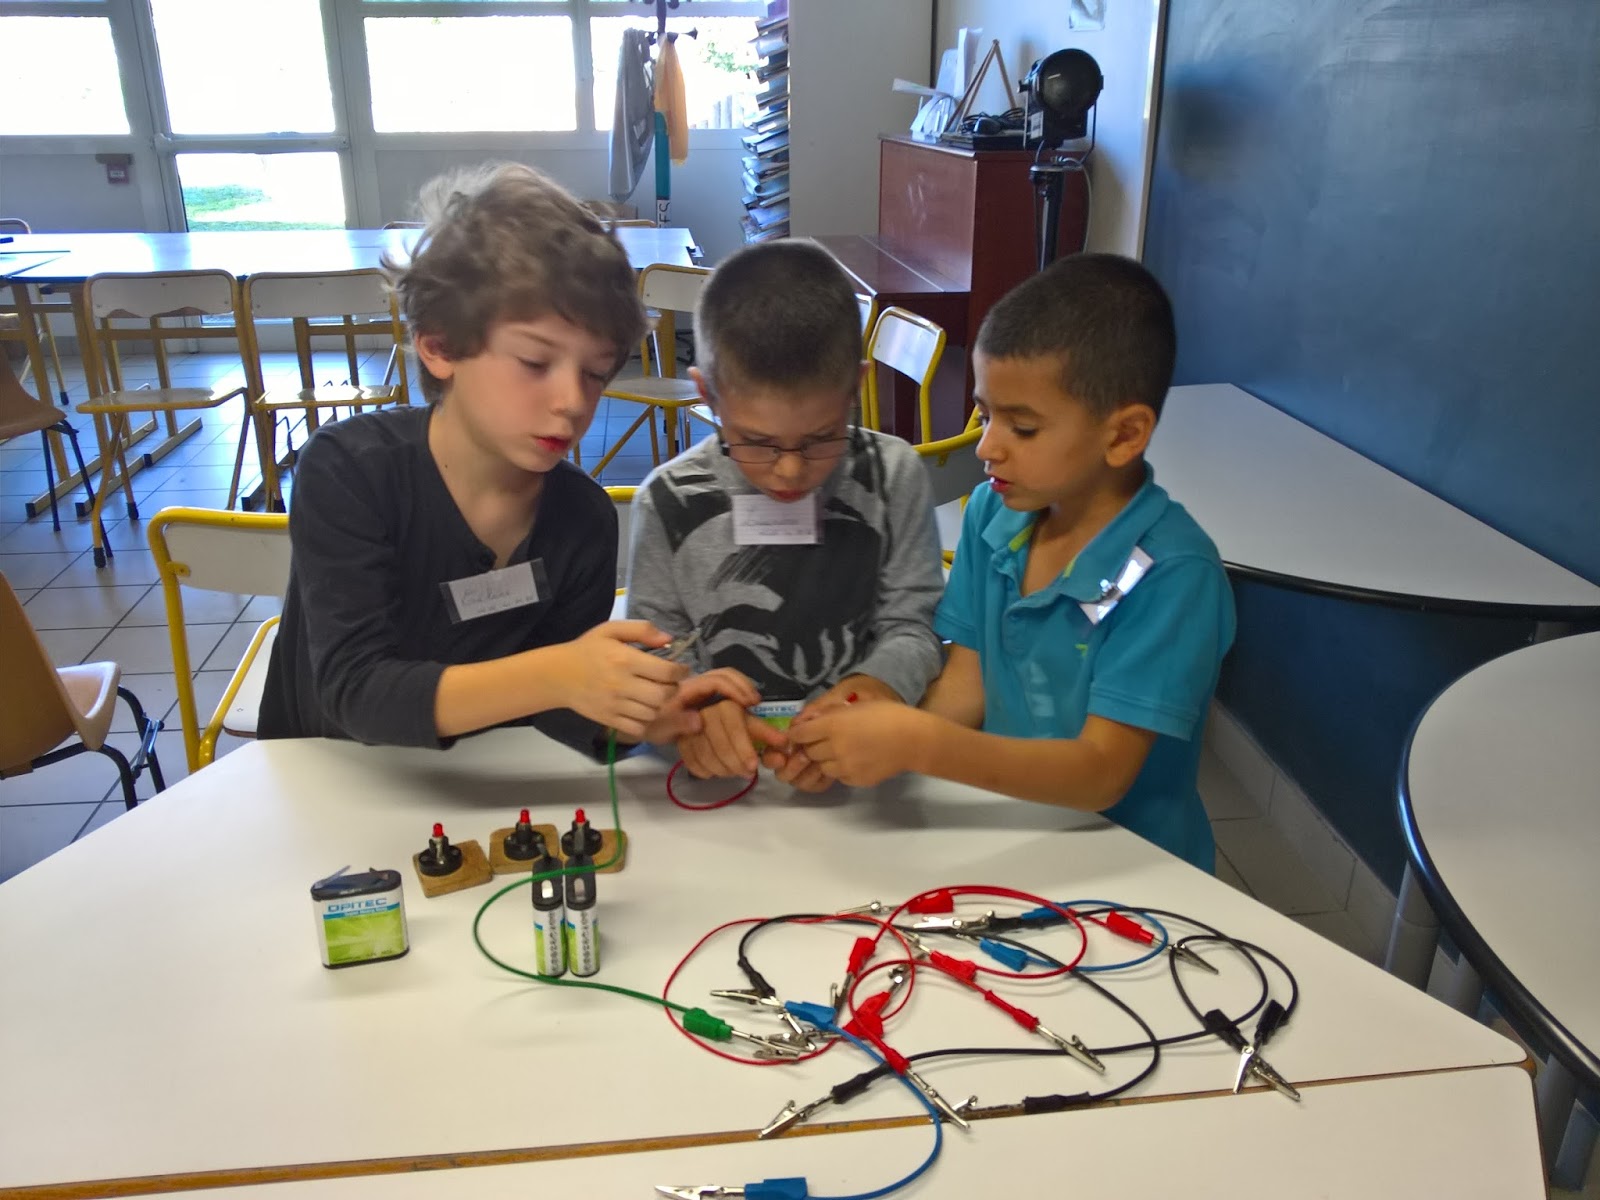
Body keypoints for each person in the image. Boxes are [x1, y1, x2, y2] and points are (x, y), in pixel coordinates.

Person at [259, 163, 749, 751]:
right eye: (535, 363)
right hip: (326, 775)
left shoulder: (583, 520)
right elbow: (356, 691)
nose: (573, 402)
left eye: (596, 373)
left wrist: (640, 716)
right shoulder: (349, 471)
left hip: (485, 789)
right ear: (439, 345)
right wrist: (559, 674)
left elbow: (557, 712)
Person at [790, 254, 1235, 870]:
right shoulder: (993, 515)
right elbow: (967, 684)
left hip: (1129, 867)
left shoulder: (1174, 574)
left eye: (1022, 428)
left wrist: (920, 744)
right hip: (1010, 835)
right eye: (985, 414)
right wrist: (865, 740)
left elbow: (1101, 773)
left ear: (1124, 435)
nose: (987, 446)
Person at [624, 241, 945, 790]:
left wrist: (871, 692)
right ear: (707, 395)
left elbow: (913, 626)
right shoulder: (667, 500)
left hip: (865, 771)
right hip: (721, 781)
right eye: (757, 442)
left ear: (855, 387)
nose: (790, 472)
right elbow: (655, 652)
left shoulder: (894, 475)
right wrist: (690, 715)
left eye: (821, 438)